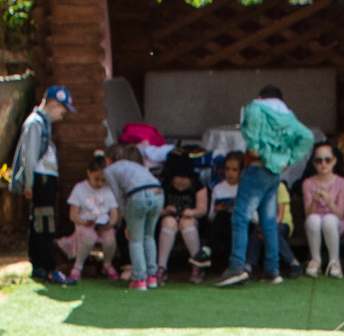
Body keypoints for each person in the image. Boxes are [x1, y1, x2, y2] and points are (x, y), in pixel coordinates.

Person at [216, 85, 312, 286]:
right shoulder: (289, 116)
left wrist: (253, 147)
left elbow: (251, 123)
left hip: (256, 169)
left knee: (240, 217)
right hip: (274, 173)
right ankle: (272, 270)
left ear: (260, 97)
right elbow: (307, 137)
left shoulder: (256, 106)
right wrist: (289, 160)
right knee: (268, 223)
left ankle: (236, 267)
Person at [15, 85, 74, 283]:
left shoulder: (43, 124)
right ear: (52, 104)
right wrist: (30, 185)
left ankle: (39, 265)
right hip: (41, 179)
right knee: (44, 224)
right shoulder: (35, 123)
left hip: (46, 178)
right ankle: (48, 268)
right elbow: (30, 157)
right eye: (62, 109)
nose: (63, 114)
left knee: (40, 222)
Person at [102, 148, 164, 288]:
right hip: (158, 192)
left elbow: (118, 196)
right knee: (149, 236)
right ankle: (152, 277)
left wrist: (127, 222)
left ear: (109, 159)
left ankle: (139, 278)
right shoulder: (135, 166)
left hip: (137, 195)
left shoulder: (109, 170)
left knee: (135, 239)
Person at [57, 152, 119, 281]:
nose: (100, 183)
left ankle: (107, 264)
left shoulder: (109, 190)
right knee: (89, 236)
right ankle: (78, 265)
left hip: (102, 224)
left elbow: (114, 213)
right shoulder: (80, 188)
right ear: (89, 172)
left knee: (110, 239)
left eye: (103, 180)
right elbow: (73, 214)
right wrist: (83, 222)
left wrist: (110, 223)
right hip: (84, 223)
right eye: (97, 179)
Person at [155, 144, 210, 277]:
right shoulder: (164, 186)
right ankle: (162, 266)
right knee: (168, 222)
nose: (181, 185)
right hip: (169, 218)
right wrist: (165, 210)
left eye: (185, 181)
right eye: (177, 181)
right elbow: (155, 209)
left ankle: (197, 264)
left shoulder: (198, 186)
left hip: (191, 218)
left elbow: (203, 209)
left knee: (187, 223)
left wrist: (192, 212)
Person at [299, 143, 344, 276]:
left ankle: (334, 261)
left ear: (334, 160)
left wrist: (330, 202)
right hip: (314, 221)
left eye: (327, 160)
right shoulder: (308, 183)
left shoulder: (342, 183)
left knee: (329, 220)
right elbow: (308, 214)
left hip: (335, 221)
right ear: (314, 163)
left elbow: (340, 214)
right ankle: (316, 260)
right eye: (319, 160)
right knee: (313, 219)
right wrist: (315, 201)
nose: (323, 164)